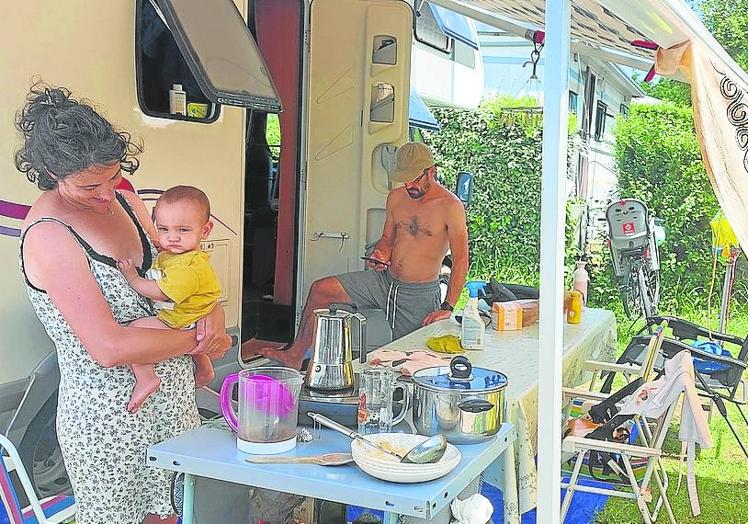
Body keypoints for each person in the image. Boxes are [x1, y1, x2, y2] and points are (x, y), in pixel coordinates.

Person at [15, 84, 231, 524]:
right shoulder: (50, 235)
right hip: (112, 419)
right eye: (89, 185)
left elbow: (180, 270)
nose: (105, 193)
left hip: (173, 401)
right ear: (50, 174)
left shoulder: (124, 198)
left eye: (113, 176)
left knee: (180, 514)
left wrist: (214, 313)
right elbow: (108, 348)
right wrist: (196, 340)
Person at [260, 142, 468, 370]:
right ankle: (295, 355)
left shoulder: (450, 206)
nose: (409, 185)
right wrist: (381, 254)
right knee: (321, 290)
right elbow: (387, 239)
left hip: (417, 294)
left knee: (414, 360)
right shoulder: (397, 197)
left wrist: (447, 307)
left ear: (431, 171)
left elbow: (461, 260)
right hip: (383, 281)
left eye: (415, 179)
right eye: (404, 179)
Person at [117, 185, 220, 413]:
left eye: (182, 230)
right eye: (163, 229)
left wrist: (133, 278)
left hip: (182, 316)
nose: (172, 238)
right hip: (193, 313)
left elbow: (161, 292)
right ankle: (204, 368)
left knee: (136, 331)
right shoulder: (177, 255)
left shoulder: (189, 266)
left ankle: (146, 377)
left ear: (205, 230)